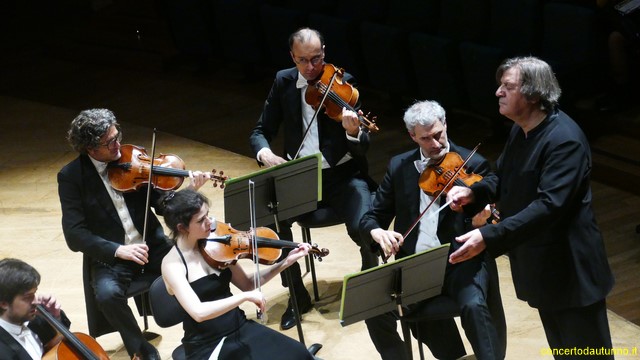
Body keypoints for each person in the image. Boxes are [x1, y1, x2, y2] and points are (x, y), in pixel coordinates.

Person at [447, 56, 615, 358]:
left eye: (507, 87)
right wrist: (475, 194)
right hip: (540, 266)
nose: (498, 92)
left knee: (588, 355)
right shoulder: (520, 129)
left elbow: (549, 206)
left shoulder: (564, 141)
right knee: (564, 352)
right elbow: (502, 174)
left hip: (570, 271)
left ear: (534, 95)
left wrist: (489, 236)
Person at [249, 27, 378, 330]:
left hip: (343, 175)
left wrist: (352, 131)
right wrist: (265, 153)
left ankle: (368, 281)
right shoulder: (283, 82)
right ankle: (297, 296)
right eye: (303, 61)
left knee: (364, 223)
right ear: (292, 57)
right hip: (301, 176)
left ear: (324, 53)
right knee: (273, 220)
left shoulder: (343, 85)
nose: (310, 68)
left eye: (316, 59)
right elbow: (260, 131)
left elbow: (364, 142)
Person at [57, 108, 210, 359]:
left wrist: (189, 191)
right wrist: (118, 250)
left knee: (196, 262)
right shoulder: (71, 177)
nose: (118, 144)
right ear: (90, 148)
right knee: (107, 295)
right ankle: (141, 349)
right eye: (110, 142)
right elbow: (74, 234)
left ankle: (204, 326)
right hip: (114, 256)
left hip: (154, 246)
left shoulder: (133, 160)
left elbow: (164, 205)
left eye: (117, 135)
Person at [359, 100, 507, 360]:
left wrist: (481, 219)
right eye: (426, 138)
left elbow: (490, 209)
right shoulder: (399, 166)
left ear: (446, 125)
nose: (436, 144)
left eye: (439, 134)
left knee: (473, 306)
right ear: (412, 136)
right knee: (373, 308)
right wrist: (376, 231)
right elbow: (373, 216)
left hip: (461, 261)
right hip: (416, 266)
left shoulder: (474, 165)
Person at [160, 188, 317, 360]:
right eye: (201, 220)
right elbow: (199, 312)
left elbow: (248, 284)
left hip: (239, 326)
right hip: (207, 344)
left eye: (207, 215)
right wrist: (243, 298)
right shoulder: (172, 265)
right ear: (181, 228)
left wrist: (285, 263)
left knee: (299, 354)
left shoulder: (216, 244)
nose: (210, 222)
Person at [0, 258, 70, 359]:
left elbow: (60, 344)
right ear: (4, 304)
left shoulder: (34, 318)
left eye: (34, 293)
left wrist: (55, 318)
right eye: (27, 297)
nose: (35, 301)